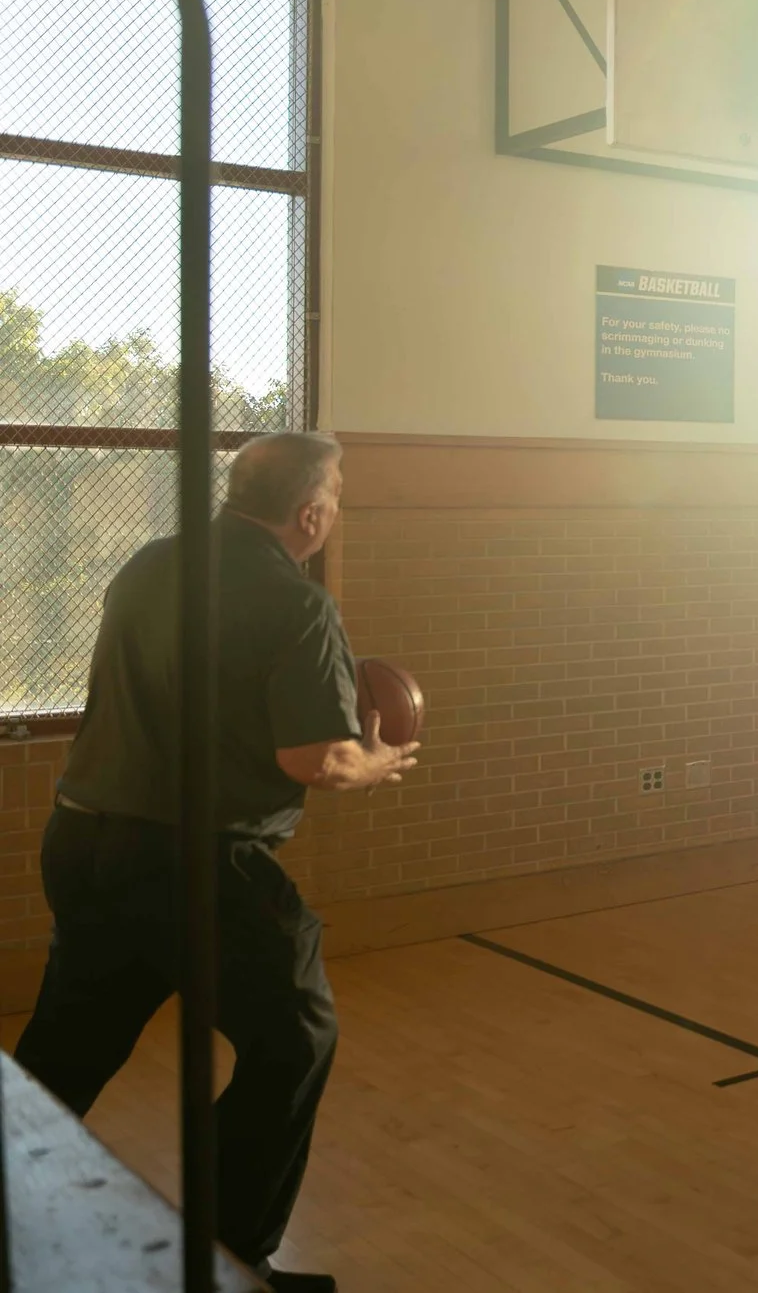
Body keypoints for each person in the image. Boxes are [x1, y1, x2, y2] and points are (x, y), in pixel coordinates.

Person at [13, 432, 419, 1291]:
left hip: (83, 839)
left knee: (69, 1047)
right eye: (337, 495)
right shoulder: (296, 602)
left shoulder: (150, 564)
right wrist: (376, 760)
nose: (337, 509)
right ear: (309, 512)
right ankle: (235, 1252)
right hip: (197, 863)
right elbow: (318, 757)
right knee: (296, 1037)